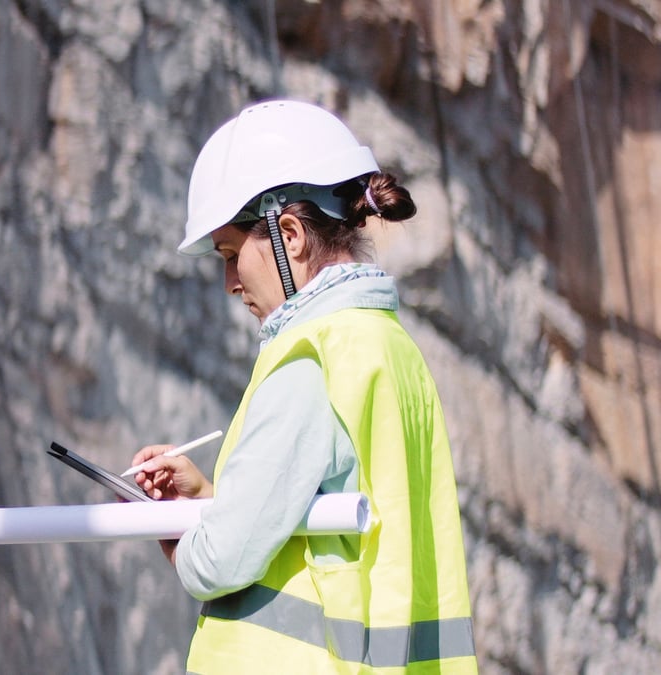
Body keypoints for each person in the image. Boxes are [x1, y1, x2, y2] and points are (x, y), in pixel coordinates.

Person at [129, 100, 477, 673]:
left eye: (231, 254)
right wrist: (214, 501)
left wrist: (173, 531)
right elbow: (332, 527)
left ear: (287, 235)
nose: (228, 282)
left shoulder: (308, 360)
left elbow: (220, 561)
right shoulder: (391, 351)